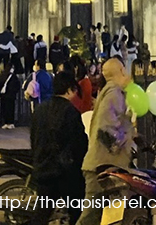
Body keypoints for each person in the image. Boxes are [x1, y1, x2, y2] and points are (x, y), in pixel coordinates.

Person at [76, 58, 134, 225]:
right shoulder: (114, 94)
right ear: (121, 71)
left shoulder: (110, 92)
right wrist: (126, 137)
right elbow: (107, 131)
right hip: (101, 168)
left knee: (110, 217)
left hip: (106, 167)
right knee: (90, 218)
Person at [30, 71, 88, 225]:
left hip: (43, 168)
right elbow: (79, 144)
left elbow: (34, 137)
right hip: (66, 173)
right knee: (76, 211)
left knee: (42, 214)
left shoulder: (40, 110)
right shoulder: (71, 112)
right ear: (69, 90)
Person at [0, 64, 20, 129]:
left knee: (10, 109)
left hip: (9, 96)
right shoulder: (3, 76)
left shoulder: (13, 77)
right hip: (6, 96)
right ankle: (5, 122)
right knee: (5, 109)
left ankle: (10, 122)